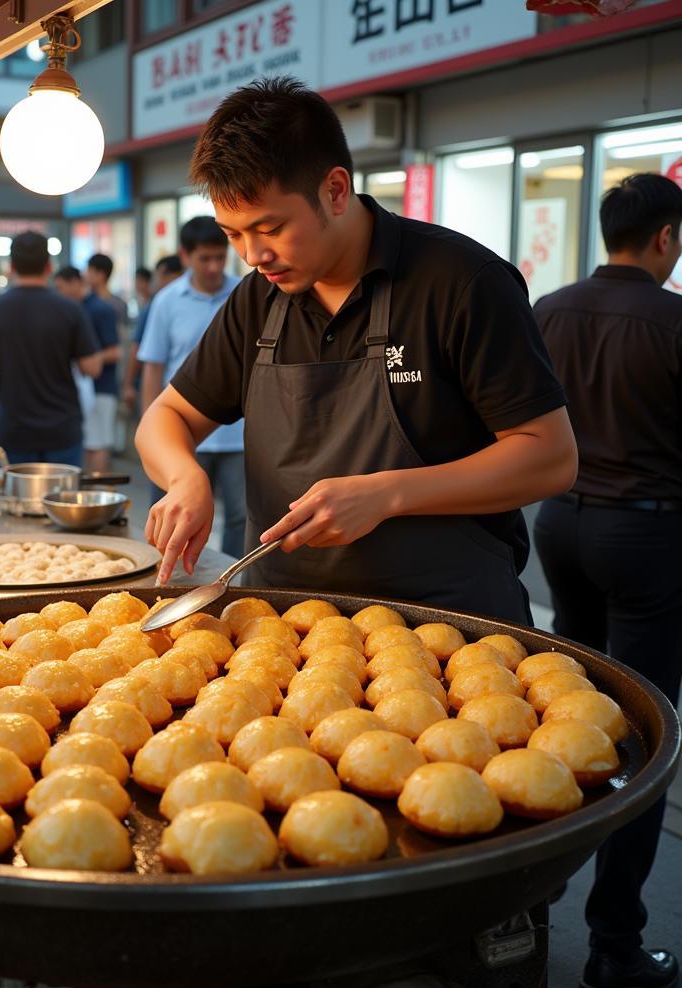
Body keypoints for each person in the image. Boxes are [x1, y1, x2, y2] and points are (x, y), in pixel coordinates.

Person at [135, 76, 577, 618]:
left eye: (270, 227)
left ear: (336, 190)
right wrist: (185, 477)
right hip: (285, 619)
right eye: (233, 234)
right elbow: (167, 415)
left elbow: (550, 457)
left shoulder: (462, 282)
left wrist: (388, 494)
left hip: (448, 622)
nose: (252, 255)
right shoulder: (258, 300)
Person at [532, 172, 682, 988]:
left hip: (561, 525)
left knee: (562, 709)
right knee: (647, 731)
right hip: (647, 534)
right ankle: (614, 946)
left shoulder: (549, 308)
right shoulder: (674, 318)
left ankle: (529, 906)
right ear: (664, 237)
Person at [138, 218, 245, 556]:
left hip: (239, 436)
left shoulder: (245, 294)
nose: (214, 267)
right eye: (204, 258)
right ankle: (174, 582)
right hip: (182, 432)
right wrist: (150, 426)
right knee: (176, 518)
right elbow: (153, 367)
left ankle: (232, 583)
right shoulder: (167, 301)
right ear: (185, 256)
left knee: (241, 519)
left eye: (220, 256)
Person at [0, 232, 102, 464]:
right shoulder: (70, 310)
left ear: (11, 267)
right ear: (49, 266)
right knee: (62, 499)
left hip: (14, 428)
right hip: (62, 428)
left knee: (17, 500)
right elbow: (93, 368)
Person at [53, 265, 121, 471]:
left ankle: (99, 495)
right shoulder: (76, 308)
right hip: (82, 389)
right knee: (88, 443)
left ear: (75, 282)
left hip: (101, 388)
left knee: (97, 444)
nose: (59, 293)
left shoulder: (100, 309)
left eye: (61, 287)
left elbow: (116, 352)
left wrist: (86, 359)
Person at [123, 254, 184, 413]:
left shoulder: (157, 304)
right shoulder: (160, 303)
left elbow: (137, 349)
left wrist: (128, 384)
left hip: (162, 390)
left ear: (164, 273)